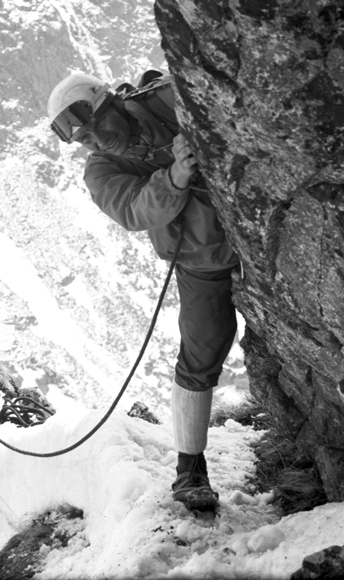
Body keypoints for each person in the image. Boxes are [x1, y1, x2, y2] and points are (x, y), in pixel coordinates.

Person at [47, 70, 239, 513]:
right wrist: (174, 176)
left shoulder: (168, 99)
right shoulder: (101, 170)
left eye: (97, 127)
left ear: (111, 103)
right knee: (201, 351)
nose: (96, 142)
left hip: (241, 240)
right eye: (86, 139)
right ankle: (189, 469)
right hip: (200, 256)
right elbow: (133, 210)